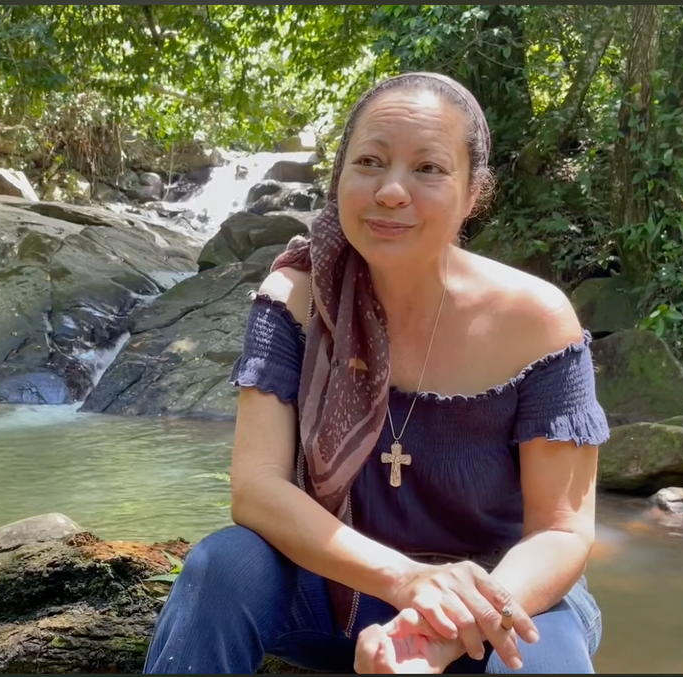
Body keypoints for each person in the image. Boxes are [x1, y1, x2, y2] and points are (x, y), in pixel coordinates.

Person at [143, 72, 609, 675]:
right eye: (369, 161)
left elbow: (563, 533)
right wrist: (406, 580)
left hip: (503, 598)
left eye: (429, 169)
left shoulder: (536, 320)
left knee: (542, 664)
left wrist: (441, 629)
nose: (391, 191)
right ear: (339, 179)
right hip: (339, 589)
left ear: (473, 194)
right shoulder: (299, 297)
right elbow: (256, 489)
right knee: (224, 563)